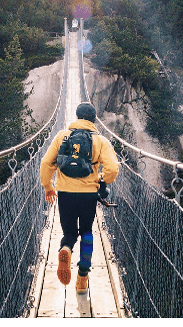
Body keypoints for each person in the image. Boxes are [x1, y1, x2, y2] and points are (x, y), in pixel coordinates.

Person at [40, 102, 119, 294]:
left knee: (69, 232)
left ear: (76, 117)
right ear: (94, 119)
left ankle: (65, 248)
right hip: (88, 196)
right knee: (86, 233)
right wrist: (102, 180)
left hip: (65, 193)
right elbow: (113, 169)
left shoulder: (62, 136)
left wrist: (48, 186)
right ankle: (82, 278)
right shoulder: (101, 141)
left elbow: (46, 163)